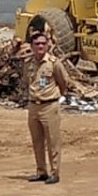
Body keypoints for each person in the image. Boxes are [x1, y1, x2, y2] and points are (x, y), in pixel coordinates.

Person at [26, 31, 70, 184]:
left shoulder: (53, 63)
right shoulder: (29, 63)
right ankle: (41, 171)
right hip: (33, 106)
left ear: (47, 45)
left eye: (43, 43)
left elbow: (63, 81)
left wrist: (58, 96)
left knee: (53, 141)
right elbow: (27, 81)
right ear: (31, 46)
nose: (40, 46)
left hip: (49, 106)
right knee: (37, 141)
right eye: (37, 43)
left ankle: (55, 172)